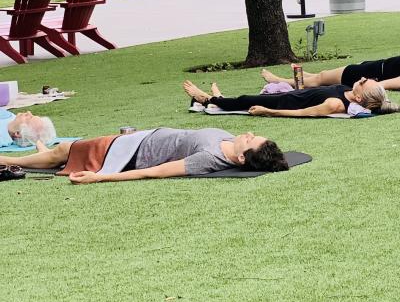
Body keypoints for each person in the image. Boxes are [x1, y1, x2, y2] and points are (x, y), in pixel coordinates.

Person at [0, 127, 287, 182]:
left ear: (240, 159)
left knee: (63, 152)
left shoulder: (209, 158)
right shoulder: (227, 141)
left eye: (250, 140)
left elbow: (156, 171)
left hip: (130, 152)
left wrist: (102, 178)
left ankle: (9, 160)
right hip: (140, 138)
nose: (247, 134)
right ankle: (41, 152)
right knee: (62, 152)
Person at [183, 77, 398, 117]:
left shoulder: (335, 104)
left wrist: (269, 111)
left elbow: (303, 113)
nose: (361, 79)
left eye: (363, 83)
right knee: (242, 99)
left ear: (360, 99)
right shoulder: (344, 89)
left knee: (245, 99)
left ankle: (207, 99)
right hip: (291, 93)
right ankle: (219, 100)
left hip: (284, 102)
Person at [260, 54, 400, 91]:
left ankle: (280, 81)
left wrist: (364, 83)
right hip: (368, 65)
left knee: (319, 80)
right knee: (321, 76)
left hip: (362, 74)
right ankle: (298, 78)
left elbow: (384, 84)